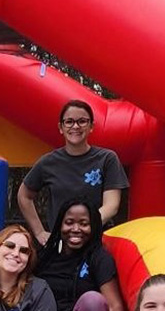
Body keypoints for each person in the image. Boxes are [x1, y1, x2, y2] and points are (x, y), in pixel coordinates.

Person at [17, 99, 128, 247]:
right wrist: (39, 232)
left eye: (82, 121)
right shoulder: (48, 162)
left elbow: (112, 205)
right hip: (60, 246)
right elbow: (24, 195)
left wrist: (82, 229)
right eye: (69, 122)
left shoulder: (107, 159)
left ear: (91, 126)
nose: (75, 126)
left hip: (97, 242)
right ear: (61, 127)